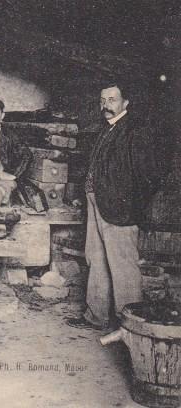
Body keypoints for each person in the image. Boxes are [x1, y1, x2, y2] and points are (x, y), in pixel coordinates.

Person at [67, 82, 164, 330]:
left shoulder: (135, 130)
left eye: (112, 100)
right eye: (103, 100)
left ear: (125, 102)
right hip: (96, 203)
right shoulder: (106, 128)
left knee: (123, 267)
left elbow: (149, 176)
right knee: (96, 259)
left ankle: (130, 326)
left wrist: (132, 206)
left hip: (120, 210)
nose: (106, 105)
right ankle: (96, 316)